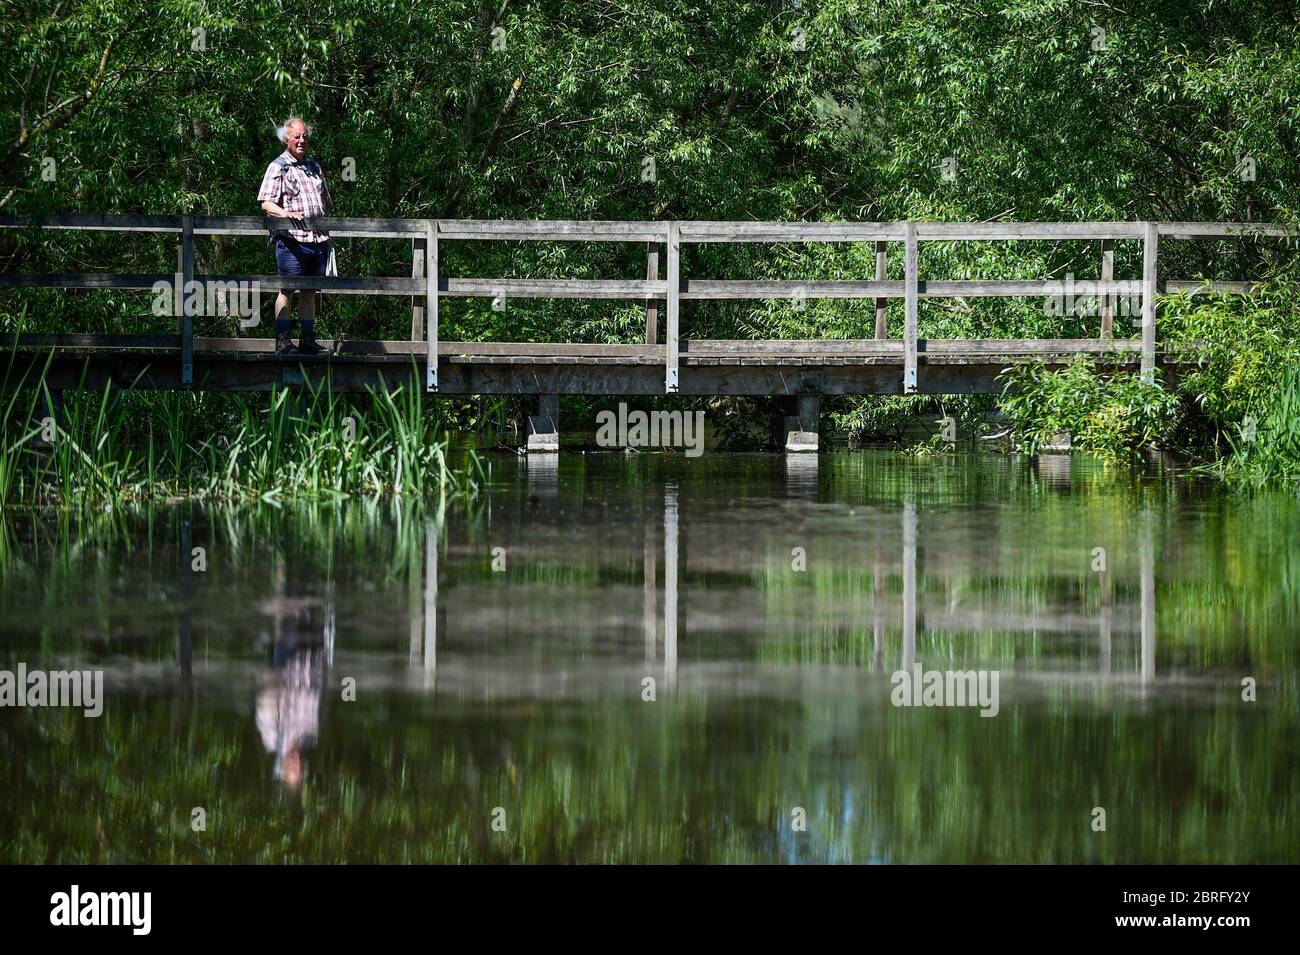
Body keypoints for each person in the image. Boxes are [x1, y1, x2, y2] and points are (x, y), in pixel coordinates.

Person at [256, 116, 332, 356]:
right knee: (287, 290)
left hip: (317, 239)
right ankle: (283, 342)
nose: (301, 141)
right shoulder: (278, 166)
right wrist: (286, 213)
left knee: (309, 291)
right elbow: (266, 203)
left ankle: (307, 341)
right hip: (291, 240)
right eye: (296, 137)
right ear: (285, 139)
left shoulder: (314, 167)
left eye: (304, 137)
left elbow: (325, 202)